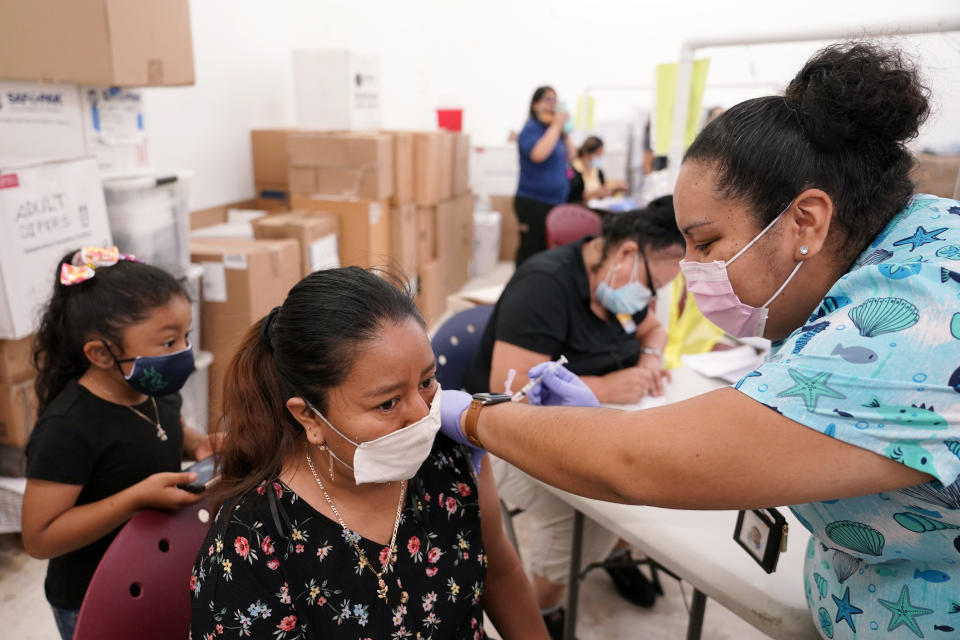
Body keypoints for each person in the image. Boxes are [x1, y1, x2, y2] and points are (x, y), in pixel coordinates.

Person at [441, 43, 960, 640]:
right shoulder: (911, 245)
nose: (692, 272)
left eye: (707, 243)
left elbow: (633, 463)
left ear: (807, 221)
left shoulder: (922, 324)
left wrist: (473, 415)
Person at [190, 267, 548, 640]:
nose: (422, 415)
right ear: (309, 416)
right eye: (388, 403)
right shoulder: (254, 544)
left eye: (426, 382)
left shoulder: (450, 459)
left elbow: (501, 573)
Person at [461, 198, 684, 635]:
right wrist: (604, 388)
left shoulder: (623, 282)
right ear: (625, 254)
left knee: (645, 483)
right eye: (652, 286)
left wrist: (650, 361)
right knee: (586, 517)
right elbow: (513, 396)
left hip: (599, 420)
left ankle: (615, 552)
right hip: (502, 433)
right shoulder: (544, 287)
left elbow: (652, 329)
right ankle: (545, 609)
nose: (648, 299)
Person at [21, 247, 215, 640]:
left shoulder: (155, 389)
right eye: (167, 342)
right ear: (101, 353)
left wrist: (198, 444)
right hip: (93, 595)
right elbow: (39, 537)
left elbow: (164, 432)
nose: (183, 353)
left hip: (151, 570)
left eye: (186, 336)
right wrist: (135, 499)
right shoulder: (67, 428)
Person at [515, 86, 572, 266]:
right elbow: (538, 154)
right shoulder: (531, 130)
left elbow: (572, 156)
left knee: (547, 254)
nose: (552, 105)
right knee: (531, 252)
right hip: (534, 202)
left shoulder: (556, 133)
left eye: (555, 100)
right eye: (548, 99)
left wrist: (565, 131)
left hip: (554, 202)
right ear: (535, 104)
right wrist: (556, 126)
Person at [567, 136, 626, 204]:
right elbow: (570, 195)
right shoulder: (571, 169)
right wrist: (592, 194)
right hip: (579, 208)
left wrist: (614, 190)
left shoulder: (597, 170)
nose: (599, 158)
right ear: (587, 153)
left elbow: (603, 187)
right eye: (598, 155)